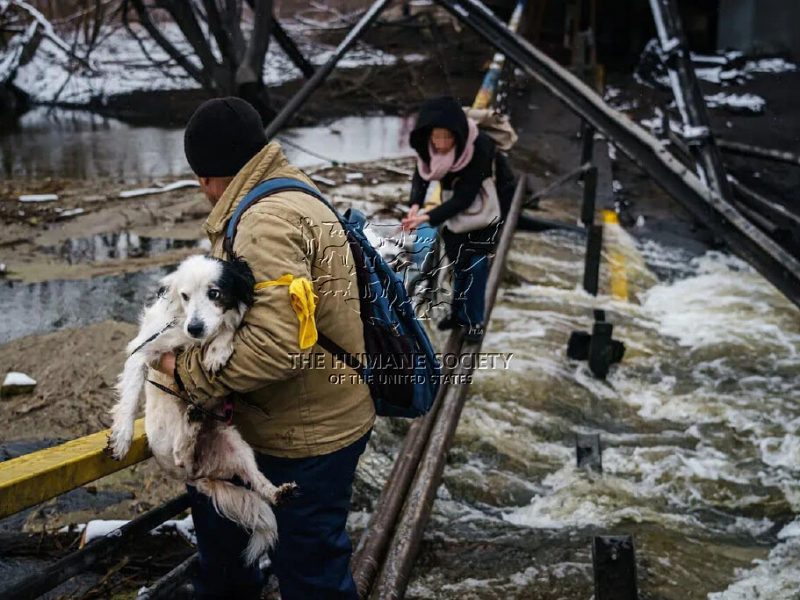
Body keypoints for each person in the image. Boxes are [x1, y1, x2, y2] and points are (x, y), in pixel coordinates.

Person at [156, 97, 375, 599]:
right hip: (318, 415)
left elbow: (279, 347)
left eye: (200, 179)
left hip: (304, 436)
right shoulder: (292, 189)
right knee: (253, 552)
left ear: (209, 176)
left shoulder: (262, 222)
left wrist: (184, 373)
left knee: (312, 578)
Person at [402, 96, 504, 342]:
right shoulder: (428, 148)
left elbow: (465, 197)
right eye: (437, 137)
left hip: (484, 204)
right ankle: (458, 313)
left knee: (477, 265)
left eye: (448, 137)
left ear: (457, 135)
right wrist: (415, 205)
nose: (442, 143)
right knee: (459, 265)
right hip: (455, 212)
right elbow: (421, 177)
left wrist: (427, 217)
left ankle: (475, 323)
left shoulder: (479, 146)